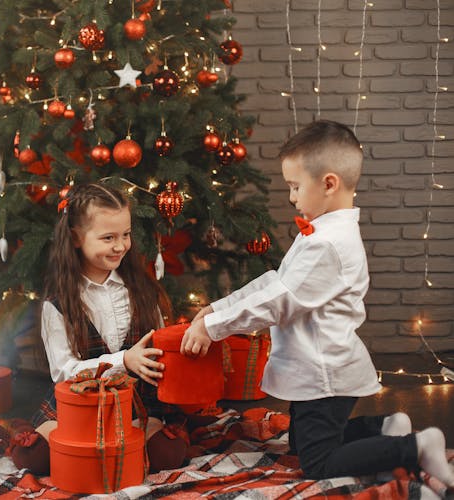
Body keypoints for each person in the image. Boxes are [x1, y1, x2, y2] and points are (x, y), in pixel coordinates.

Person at [180, 120, 454, 487]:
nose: (292, 197)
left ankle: (417, 446)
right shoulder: (322, 232)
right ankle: (386, 428)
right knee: (301, 442)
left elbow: (279, 301)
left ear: (328, 183)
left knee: (318, 464)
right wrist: (217, 308)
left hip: (324, 374)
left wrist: (214, 329)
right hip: (319, 368)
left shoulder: (327, 244)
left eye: (295, 187)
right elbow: (277, 282)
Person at [10, 182, 188, 475]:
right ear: (76, 238)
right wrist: (123, 361)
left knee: (166, 454)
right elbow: (63, 370)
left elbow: (157, 345)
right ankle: (83, 441)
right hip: (82, 404)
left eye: (126, 235)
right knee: (34, 460)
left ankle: (118, 443)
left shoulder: (141, 290)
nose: (120, 246)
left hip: (135, 403)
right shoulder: (59, 302)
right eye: (108, 237)